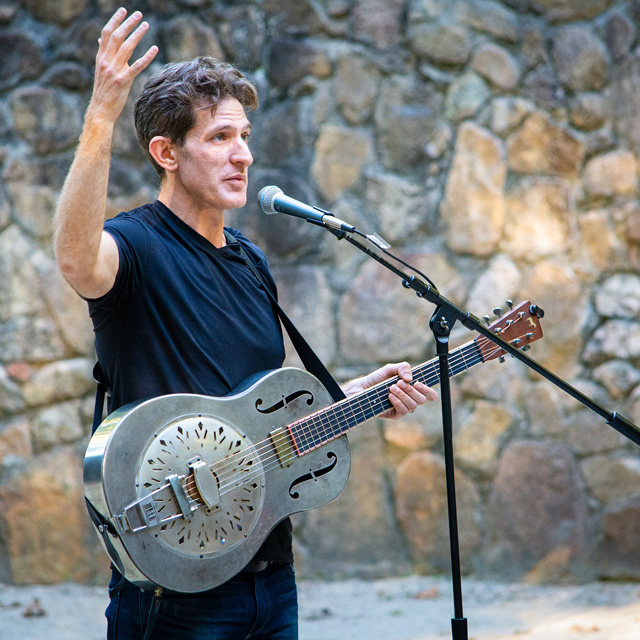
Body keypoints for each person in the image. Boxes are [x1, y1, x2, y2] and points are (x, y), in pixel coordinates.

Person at [54, 8, 437, 640]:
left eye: (245, 136)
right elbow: (74, 257)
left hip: (269, 576)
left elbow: (257, 422)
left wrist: (361, 396)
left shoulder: (252, 263)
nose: (244, 156)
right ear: (165, 154)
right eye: (221, 138)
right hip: (175, 589)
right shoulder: (134, 248)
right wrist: (101, 116)